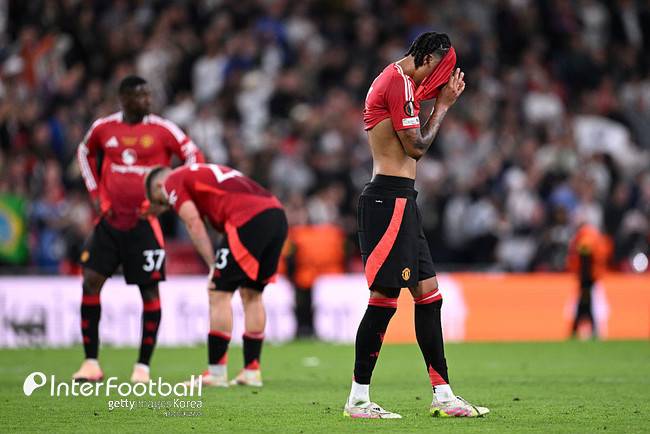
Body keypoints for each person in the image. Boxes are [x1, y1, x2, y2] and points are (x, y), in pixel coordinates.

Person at [344, 32, 489, 419]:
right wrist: (443, 106)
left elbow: (409, 125)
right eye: (438, 71)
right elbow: (416, 147)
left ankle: (444, 395)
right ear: (426, 58)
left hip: (401, 200)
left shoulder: (398, 81)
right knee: (384, 301)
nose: (437, 82)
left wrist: (438, 98)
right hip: (387, 200)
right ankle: (358, 399)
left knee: (429, 296)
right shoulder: (398, 82)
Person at [74, 76, 204, 383]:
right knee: (90, 283)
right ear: (123, 99)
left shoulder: (163, 129)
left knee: (149, 292)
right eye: (140, 96)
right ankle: (90, 363)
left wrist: (171, 197)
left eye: (148, 94)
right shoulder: (104, 128)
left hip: (145, 224)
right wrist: (95, 192)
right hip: (109, 222)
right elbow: (83, 152)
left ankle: (142, 367)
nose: (147, 100)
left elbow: (194, 156)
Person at [144, 163, 288, 387]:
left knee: (218, 291)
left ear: (158, 186)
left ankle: (216, 373)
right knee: (252, 293)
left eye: (161, 201)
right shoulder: (200, 171)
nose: (166, 205)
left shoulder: (171, 181)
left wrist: (212, 264)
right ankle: (251, 372)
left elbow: (193, 222)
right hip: (276, 215)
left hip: (248, 218)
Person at [566, 223, 611, 339]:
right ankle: (594, 331)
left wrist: (584, 277)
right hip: (593, 277)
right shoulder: (594, 236)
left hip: (589, 279)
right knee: (590, 306)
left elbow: (585, 253)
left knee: (589, 306)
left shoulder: (585, 237)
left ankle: (587, 331)